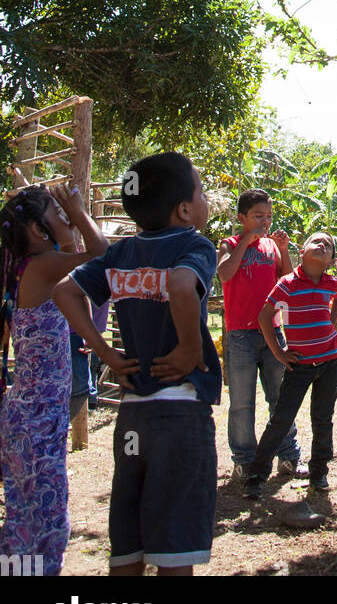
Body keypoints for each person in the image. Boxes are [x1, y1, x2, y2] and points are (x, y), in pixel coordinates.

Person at [54, 151, 222, 576]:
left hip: (132, 419)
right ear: (185, 210)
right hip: (180, 413)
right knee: (174, 551)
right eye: (200, 191)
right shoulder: (194, 244)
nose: (204, 198)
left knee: (128, 544)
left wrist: (106, 353)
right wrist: (188, 349)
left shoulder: (121, 252)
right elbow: (183, 283)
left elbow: (64, 292)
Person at [0, 181, 108, 576]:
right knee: (40, 526)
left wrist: (62, 225)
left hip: (31, 418)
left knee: (28, 522)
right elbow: (102, 254)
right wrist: (78, 214)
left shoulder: (33, 267)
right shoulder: (44, 266)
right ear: (36, 231)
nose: (64, 216)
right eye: (56, 212)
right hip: (35, 421)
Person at [242, 231, 337, 502]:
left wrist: (333, 320)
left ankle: (318, 472)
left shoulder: (332, 283)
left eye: (328, 244)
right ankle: (256, 475)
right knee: (281, 420)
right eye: (316, 240)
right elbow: (265, 317)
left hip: (330, 362)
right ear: (302, 251)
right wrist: (279, 353)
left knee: (323, 419)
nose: (322, 244)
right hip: (299, 366)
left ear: (331, 260)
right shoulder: (287, 283)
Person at [218, 188, 305, 480]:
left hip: (273, 333)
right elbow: (225, 273)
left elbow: (287, 280)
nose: (264, 222)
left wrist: (283, 250)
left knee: (280, 397)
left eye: (268, 216)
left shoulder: (271, 247)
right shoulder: (229, 244)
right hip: (240, 336)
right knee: (242, 402)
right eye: (257, 216)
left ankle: (288, 456)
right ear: (242, 218)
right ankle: (244, 460)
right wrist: (245, 242)